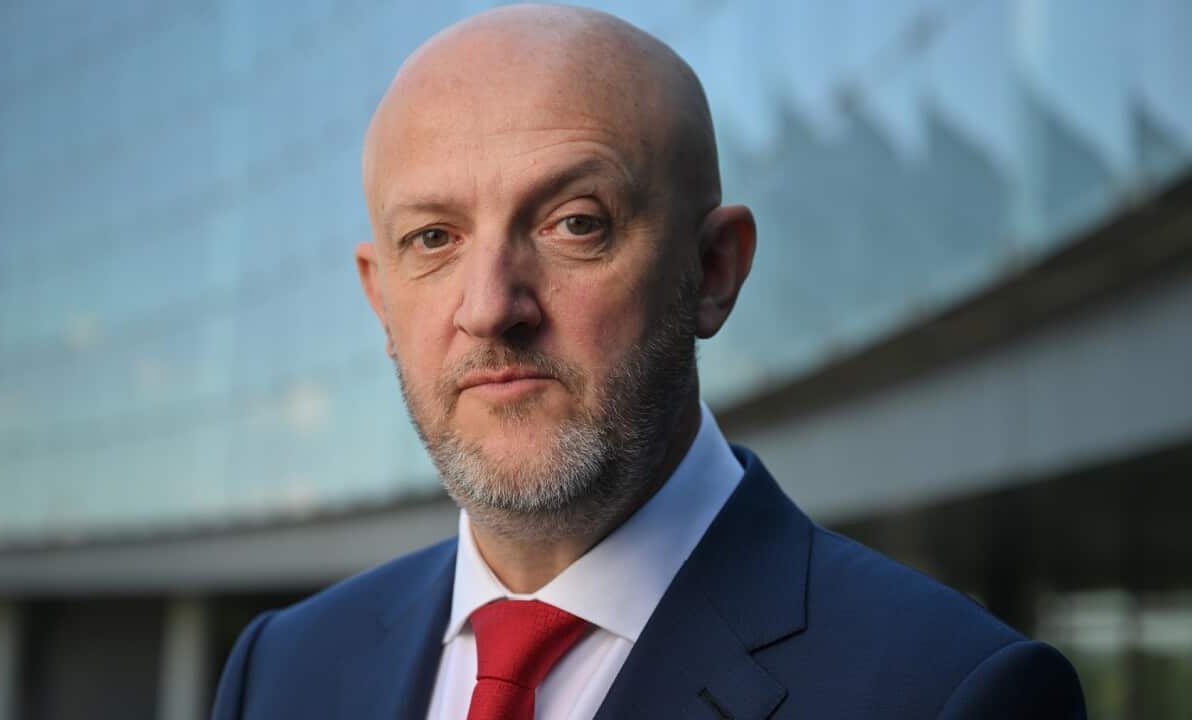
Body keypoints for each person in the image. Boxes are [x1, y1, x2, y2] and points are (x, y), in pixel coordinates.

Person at [212, 5, 1086, 718]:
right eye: (433, 239)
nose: (489, 308)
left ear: (714, 271)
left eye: (574, 223)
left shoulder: (950, 693)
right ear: (380, 298)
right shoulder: (282, 671)